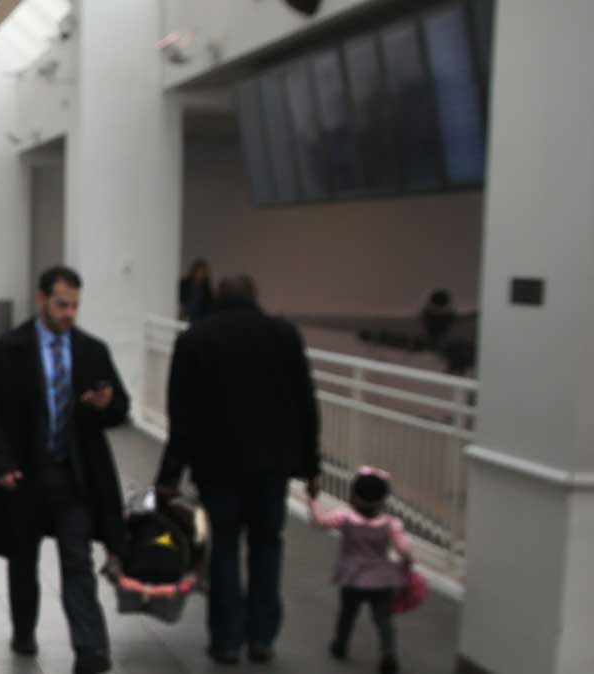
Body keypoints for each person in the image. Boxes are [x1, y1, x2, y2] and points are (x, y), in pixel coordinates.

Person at [0, 266, 131, 674]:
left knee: (77, 561)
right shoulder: (6, 351)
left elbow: (120, 408)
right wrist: (0, 463)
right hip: (25, 476)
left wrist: (106, 405)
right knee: (22, 560)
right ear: (41, 299)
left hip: (73, 477)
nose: (69, 314)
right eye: (61, 305)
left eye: (75, 306)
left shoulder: (91, 351)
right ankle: (24, 629)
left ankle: (90, 649)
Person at [155, 275, 320, 665]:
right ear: (255, 296)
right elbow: (305, 403)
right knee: (267, 544)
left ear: (217, 297)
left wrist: (169, 477)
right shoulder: (284, 336)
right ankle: (261, 637)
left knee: (224, 549)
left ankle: (227, 640)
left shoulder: (195, 339)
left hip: (217, 467)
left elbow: (182, 417)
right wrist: (311, 466)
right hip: (272, 469)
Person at [310, 468, 412, 674]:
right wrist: (407, 563)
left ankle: (340, 645)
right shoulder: (391, 524)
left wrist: (313, 500)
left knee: (347, 614)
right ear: (383, 500)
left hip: (353, 578)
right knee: (383, 619)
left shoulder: (345, 517)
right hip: (382, 579)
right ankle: (388, 652)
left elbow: (320, 521)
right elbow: (404, 549)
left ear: (353, 496)